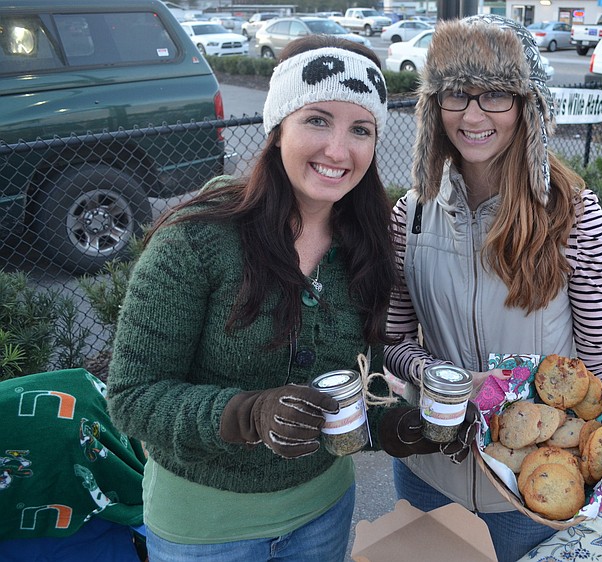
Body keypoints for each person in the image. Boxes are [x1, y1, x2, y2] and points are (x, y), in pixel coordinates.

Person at [379, 15, 602, 562]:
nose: (473, 114)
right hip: (426, 469)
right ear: (434, 104)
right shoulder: (410, 215)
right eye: (457, 93)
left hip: (525, 492)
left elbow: (601, 354)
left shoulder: (574, 217)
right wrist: (455, 382)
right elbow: (393, 341)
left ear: (527, 107)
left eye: (497, 96)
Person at [106, 35, 398, 561]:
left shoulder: (368, 244)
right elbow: (133, 397)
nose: (338, 149)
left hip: (324, 512)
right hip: (207, 530)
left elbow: (359, 381)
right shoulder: (198, 238)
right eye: (316, 119)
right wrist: (246, 414)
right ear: (277, 125)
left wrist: (396, 422)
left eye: (361, 129)